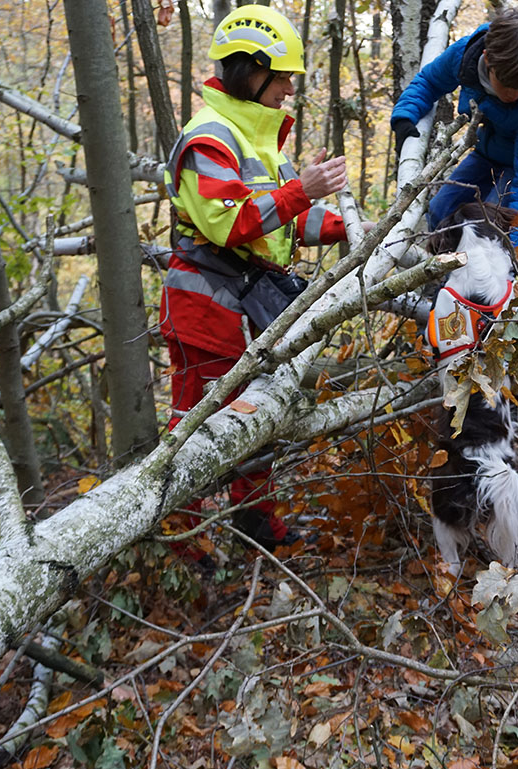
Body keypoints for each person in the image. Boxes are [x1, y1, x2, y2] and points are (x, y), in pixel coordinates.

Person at [160, 4, 351, 561]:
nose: (290, 89)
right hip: (205, 308)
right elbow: (229, 223)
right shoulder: (209, 139)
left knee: (253, 419)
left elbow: (288, 223)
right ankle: (181, 542)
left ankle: (255, 526)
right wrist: (301, 191)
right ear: (251, 70)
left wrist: (354, 231)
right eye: (283, 76)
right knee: (196, 427)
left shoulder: (260, 139)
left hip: (242, 307)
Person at [390, 7, 518, 249]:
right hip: (489, 149)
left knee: (491, 227)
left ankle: (478, 279)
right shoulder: (466, 57)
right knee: (440, 211)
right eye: (506, 85)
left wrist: (509, 247)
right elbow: (429, 82)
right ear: (487, 58)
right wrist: (404, 117)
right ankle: (439, 272)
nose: (512, 95)